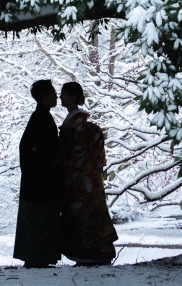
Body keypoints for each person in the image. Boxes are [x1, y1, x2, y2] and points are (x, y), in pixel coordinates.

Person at [58, 80, 117, 266]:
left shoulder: (74, 129)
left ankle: (87, 255)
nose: (60, 97)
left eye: (64, 93)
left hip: (78, 183)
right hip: (93, 181)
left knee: (81, 217)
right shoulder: (90, 129)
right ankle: (98, 253)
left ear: (74, 96)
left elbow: (67, 157)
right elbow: (100, 159)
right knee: (94, 214)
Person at [13, 78, 63, 268]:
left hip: (36, 182)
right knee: (41, 219)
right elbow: (42, 150)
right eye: (52, 93)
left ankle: (37, 255)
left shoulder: (40, 117)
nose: (56, 96)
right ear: (43, 96)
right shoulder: (42, 119)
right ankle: (39, 256)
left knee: (38, 219)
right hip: (41, 183)